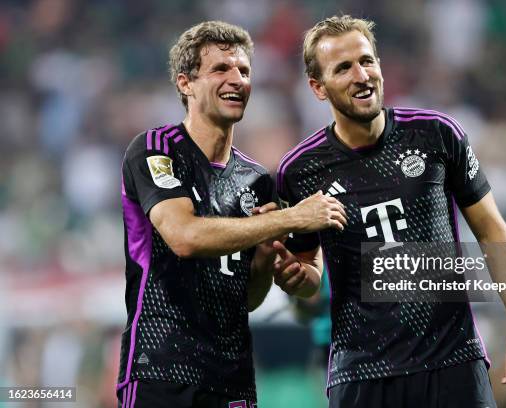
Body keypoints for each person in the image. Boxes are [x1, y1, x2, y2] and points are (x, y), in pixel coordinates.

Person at [274, 15, 506, 407]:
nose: (361, 75)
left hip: (452, 361)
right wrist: (295, 282)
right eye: (343, 68)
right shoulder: (298, 170)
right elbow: (307, 275)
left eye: (367, 60)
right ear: (318, 87)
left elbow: (492, 231)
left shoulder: (436, 134)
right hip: (362, 372)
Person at [116, 21, 347, 408]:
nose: (236, 79)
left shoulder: (256, 181)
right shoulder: (156, 149)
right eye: (221, 69)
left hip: (232, 376)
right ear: (186, 83)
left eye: (243, 70)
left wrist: (263, 260)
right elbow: (184, 236)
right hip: (161, 367)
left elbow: (249, 299)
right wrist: (289, 219)